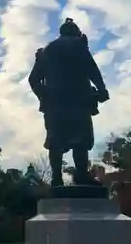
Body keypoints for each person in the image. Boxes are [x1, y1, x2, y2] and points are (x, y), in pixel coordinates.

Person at [28, 18, 109, 186]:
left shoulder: (46, 51)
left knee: (55, 141)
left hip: (54, 105)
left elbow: (33, 79)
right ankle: (81, 176)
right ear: (74, 32)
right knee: (81, 140)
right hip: (78, 102)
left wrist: (44, 94)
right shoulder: (78, 45)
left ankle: (56, 178)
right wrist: (101, 90)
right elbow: (92, 70)